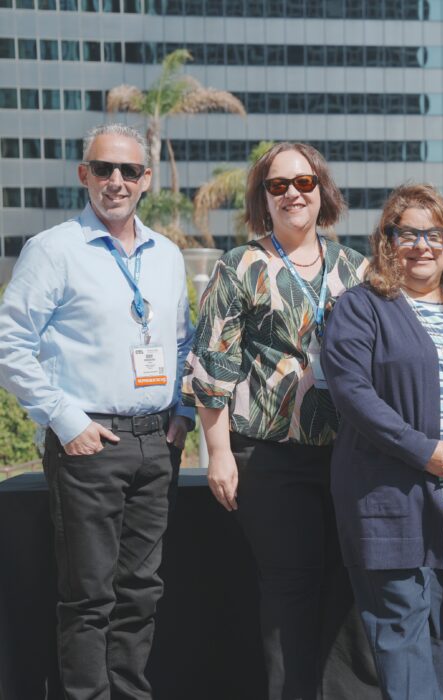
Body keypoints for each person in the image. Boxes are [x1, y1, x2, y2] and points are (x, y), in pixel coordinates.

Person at [0, 123, 194, 699]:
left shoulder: (168, 256)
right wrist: (67, 421)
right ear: (84, 174)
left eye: (128, 171)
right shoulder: (54, 250)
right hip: (90, 442)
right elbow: (11, 344)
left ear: (146, 180)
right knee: (88, 599)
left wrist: (181, 409)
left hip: (156, 442)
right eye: (103, 169)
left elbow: (181, 343)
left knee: (140, 592)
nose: (116, 181)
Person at [182, 142, 369, 699]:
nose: (293, 193)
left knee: (345, 589)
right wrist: (217, 453)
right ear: (263, 197)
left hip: (347, 456)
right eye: (278, 185)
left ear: (323, 192)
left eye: (304, 183)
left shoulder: (355, 268)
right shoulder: (240, 265)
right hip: (268, 458)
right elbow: (213, 367)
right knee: (290, 590)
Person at [321, 184, 443, 699]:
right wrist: (424, 451)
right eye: (407, 233)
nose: (422, 245)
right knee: (400, 634)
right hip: (390, 497)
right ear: (387, 241)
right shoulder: (362, 307)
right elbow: (352, 392)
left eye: (435, 234)